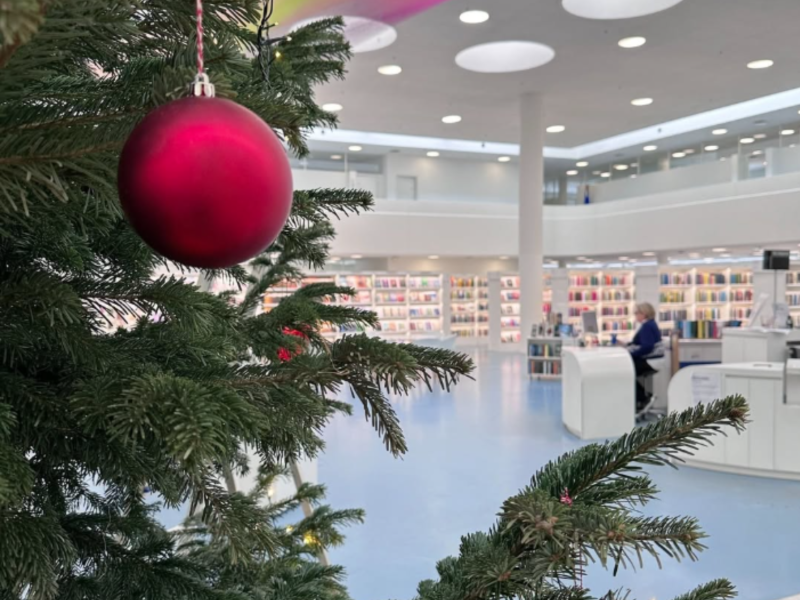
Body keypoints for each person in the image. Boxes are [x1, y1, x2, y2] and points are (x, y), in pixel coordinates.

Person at [628, 302, 663, 411]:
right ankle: (642, 398)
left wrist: (630, 353)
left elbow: (647, 347)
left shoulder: (647, 326)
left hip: (650, 362)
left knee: (625, 373)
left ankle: (643, 398)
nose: (635, 315)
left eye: (637, 313)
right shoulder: (650, 324)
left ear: (644, 314)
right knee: (627, 372)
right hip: (652, 360)